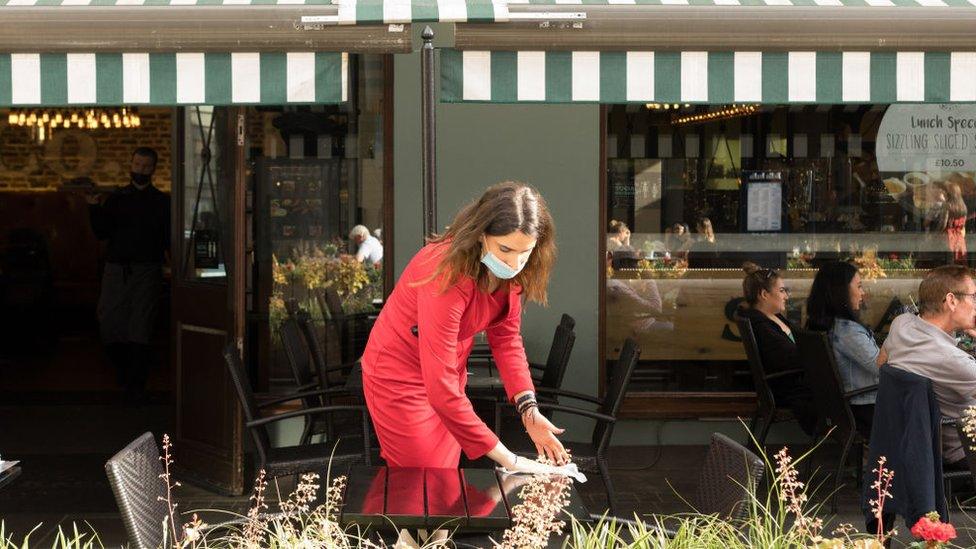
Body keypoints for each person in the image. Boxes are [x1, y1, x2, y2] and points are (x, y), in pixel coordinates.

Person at [359, 181, 571, 473]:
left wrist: (529, 411)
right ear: (481, 233)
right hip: (399, 375)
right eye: (505, 249)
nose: (514, 264)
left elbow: (507, 339)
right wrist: (510, 460)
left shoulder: (514, 270)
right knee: (422, 477)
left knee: (443, 477)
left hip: (447, 375)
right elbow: (441, 391)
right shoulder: (446, 272)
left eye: (525, 253)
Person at [87, 147, 170, 403]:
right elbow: (101, 233)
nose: (141, 170)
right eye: (137, 164)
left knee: (141, 327)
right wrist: (92, 207)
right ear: (130, 163)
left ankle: (136, 385)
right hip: (116, 268)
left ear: (153, 168)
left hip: (148, 269)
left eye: (146, 166)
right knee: (109, 322)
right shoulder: (116, 198)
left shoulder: (162, 202)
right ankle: (123, 376)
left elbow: (168, 239)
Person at [882, 265, 976, 466]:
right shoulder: (953, 361)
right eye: (973, 297)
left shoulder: (901, 324)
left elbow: (880, 363)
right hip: (965, 450)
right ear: (951, 301)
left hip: (921, 442)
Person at [806, 261, 885, 438]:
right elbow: (882, 367)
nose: (863, 293)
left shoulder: (824, 325)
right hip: (866, 408)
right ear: (840, 291)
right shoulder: (847, 332)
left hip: (845, 408)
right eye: (859, 286)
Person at [737, 263, 817, 435]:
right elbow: (791, 358)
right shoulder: (762, 326)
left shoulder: (772, 318)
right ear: (764, 294)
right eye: (781, 290)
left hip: (796, 382)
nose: (786, 296)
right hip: (791, 389)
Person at [940, 182, 967, 264]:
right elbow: (963, 225)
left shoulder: (947, 205)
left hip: (948, 236)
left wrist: (937, 233)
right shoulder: (963, 206)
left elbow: (943, 224)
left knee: (949, 262)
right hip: (959, 237)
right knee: (959, 261)